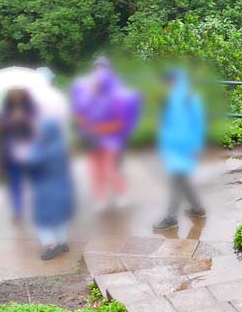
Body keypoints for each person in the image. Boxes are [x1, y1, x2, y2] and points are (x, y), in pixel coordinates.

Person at [71, 57, 142, 209]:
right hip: (91, 139)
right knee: (95, 171)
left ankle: (122, 193)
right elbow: (80, 112)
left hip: (110, 140)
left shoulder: (117, 97)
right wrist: (85, 124)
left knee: (109, 169)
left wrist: (96, 129)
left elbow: (120, 123)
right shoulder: (87, 95)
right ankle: (101, 199)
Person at [16, 98, 76, 261]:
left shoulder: (41, 148)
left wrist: (22, 153)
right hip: (62, 189)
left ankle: (52, 245)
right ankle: (63, 242)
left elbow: (30, 162)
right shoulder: (59, 145)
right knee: (59, 218)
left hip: (45, 191)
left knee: (43, 220)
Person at [153, 69, 207, 231]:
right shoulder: (171, 99)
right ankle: (197, 208)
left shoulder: (188, 98)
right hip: (174, 146)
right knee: (181, 179)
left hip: (184, 147)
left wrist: (195, 146)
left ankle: (171, 218)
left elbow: (198, 123)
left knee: (176, 179)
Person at [0, 87, 37, 223]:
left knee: (34, 178)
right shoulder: (6, 108)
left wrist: (24, 118)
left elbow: (37, 122)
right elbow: (1, 125)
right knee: (14, 181)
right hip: (11, 150)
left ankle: (38, 204)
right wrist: (11, 120)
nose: (15, 95)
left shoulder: (30, 106)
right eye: (12, 92)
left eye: (18, 92)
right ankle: (17, 210)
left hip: (29, 147)